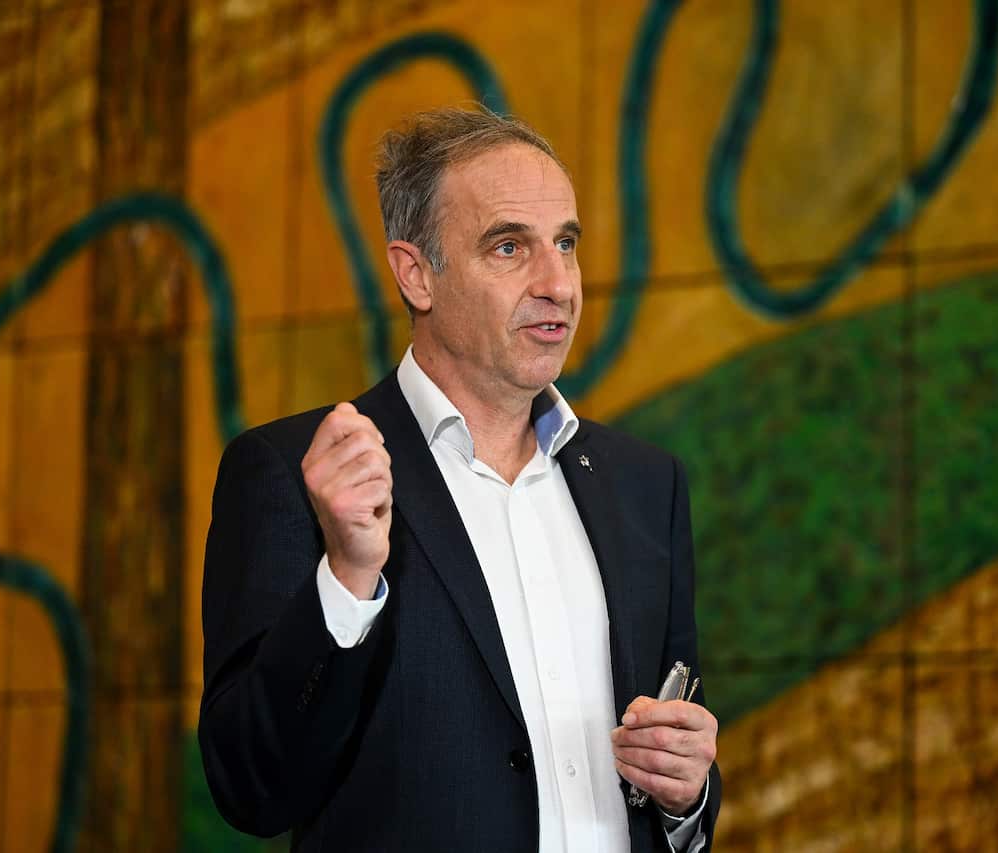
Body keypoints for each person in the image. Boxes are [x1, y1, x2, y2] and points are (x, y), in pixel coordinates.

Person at [199, 106, 721, 852]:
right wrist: (346, 580)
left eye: (565, 244)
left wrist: (688, 792)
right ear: (417, 274)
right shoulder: (293, 473)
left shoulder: (645, 486)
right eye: (509, 247)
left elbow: (675, 775)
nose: (558, 284)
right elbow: (251, 785)